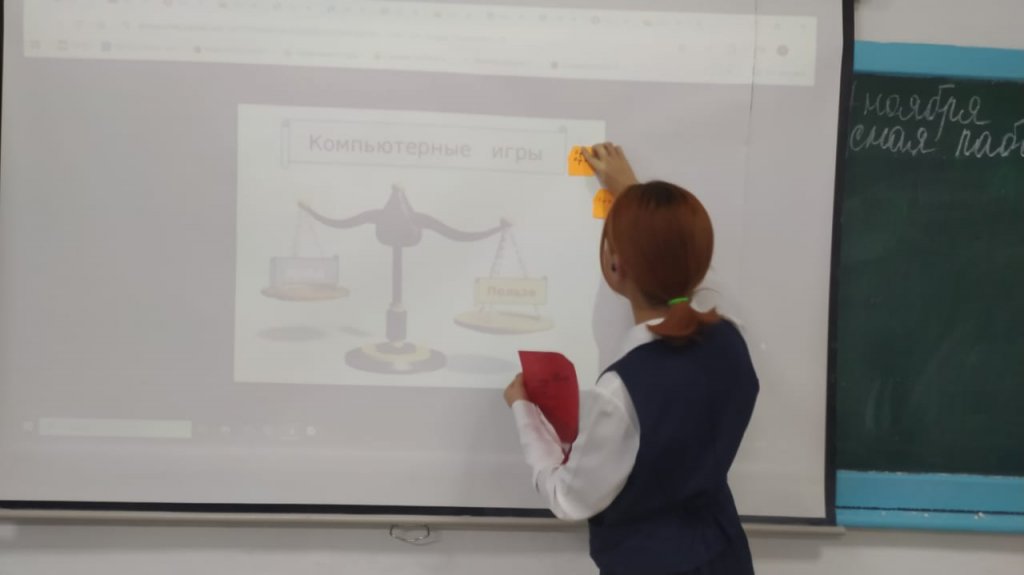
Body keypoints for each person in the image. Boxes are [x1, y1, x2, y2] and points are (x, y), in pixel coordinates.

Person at [504, 143, 759, 575]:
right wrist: (631, 194)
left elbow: (568, 497)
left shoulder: (621, 391)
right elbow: (676, 262)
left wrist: (524, 411)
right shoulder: (731, 340)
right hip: (725, 557)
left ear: (614, 264)